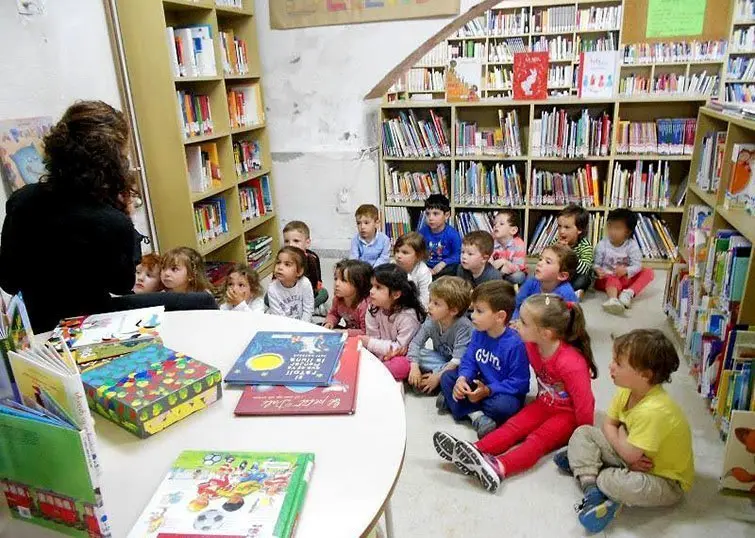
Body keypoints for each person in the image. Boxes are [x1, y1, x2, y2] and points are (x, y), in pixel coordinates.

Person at [0, 100, 142, 331]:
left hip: (38, 331)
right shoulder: (109, 220)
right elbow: (123, 284)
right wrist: (127, 216)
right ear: (113, 160)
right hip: (93, 328)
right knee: (200, 302)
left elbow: (8, 281)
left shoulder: (21, 200)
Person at [434, 294, 597, 493]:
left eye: (524, 323)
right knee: (513, 426)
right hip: (544, 403)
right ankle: (475, 449)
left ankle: (500, 466)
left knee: (537, 440)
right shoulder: (531, 345)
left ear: (546, 333)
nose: (517, 324)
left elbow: (584, 404)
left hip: (567, 415)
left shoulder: (571, 363)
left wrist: (583, 437)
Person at [558, 329, 693, 533]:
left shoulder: (655, 410)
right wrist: (622, 439)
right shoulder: (627, 390)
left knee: (609, 480)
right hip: (632, 456)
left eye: (618, 364)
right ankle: (592, 489)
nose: (611, 366)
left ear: (645, 375)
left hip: (663, 479)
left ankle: (589, 470)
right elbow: (608, 424)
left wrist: (621, 435)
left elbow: (627, 448)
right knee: (583, 432)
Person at [437, 281, 529, 439]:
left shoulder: (515, 345)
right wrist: (462, 379)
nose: (472, 316)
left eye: (479, 311)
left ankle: (459, 404)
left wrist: (488, 391)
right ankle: (477, 416)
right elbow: (469, 361)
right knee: (447, 377)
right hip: (480, 383)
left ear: (500, 316)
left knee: (505, 408)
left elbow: (520, 384)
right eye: (473, 310)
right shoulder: (478, 333)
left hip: (500, 392)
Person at [407, 276, 473, 395]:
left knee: (457, 372)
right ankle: (430, 380)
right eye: (430, 300)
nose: (430, 306)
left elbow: (457, 360)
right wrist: (414, 366)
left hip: (457, 366)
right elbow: (416, 343)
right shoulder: (432, 319)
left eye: (436, 303)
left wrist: (437, 376)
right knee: (417, 353)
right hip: (440, 361)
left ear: (453, 310)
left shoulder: (464, 326)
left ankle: (438, 383)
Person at [361, 264, 425, 381]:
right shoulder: (373, 308)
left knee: (400, 365)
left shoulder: (408, 316)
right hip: (383, 353)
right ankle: (377, 369)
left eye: (378, 287)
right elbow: (373, 337)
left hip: (404, 356)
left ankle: (376, 372)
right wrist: (380, 353)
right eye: (372, 286)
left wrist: (370, 343)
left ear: (396, 294)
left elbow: (401, 348)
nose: (371, 291)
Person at [594, 208, 654, 315]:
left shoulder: (632, 246)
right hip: (606, 279)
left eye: (617, 228)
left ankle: (628, 293)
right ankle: (613, 300)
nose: (612, 231)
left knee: (648, 272)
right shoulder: (602, 245)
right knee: (612, 278)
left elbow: (637, 265)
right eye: (610, 226)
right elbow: (596, 264)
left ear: (628, 232)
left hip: (623, 278)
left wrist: (626, 270)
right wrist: (597, 270)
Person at [512, 244, 579, 319]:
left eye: (548, 262)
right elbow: (518, 304)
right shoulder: (531, 282)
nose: (539, 263)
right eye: (540, 259)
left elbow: (568, 320)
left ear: (562, 276)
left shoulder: (565, 293)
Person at [282, 220, 329, 314]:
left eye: (296, 241)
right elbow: (275, 279)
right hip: (286, 293)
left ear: (307, 243)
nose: (291, 245)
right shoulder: (282, 257)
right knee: (267, 297)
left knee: (323, 293)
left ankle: (307, 308)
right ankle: (301, 309)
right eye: (287, 241)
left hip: (306, 294)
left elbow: (315, 282)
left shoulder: (312, 258)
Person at [323, 259, 372, 336]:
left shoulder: (364, 305)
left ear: (358, 284)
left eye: (343, 280)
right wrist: (329, 322)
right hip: (349, 333)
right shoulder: (338, 299)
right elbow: (334, 314)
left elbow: (366, 332)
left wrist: (344, 332)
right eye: (336, 279)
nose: (337, 284)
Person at [418, 194, 461, 278]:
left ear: (446, 215)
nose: (430, 218)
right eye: (427, 214)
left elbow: (458, 255)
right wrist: (425, 267)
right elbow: (417, 251)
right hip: (426, 267)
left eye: (435, 214)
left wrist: (443, 263)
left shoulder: (453, 234)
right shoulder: (422, 232)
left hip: (445, 268)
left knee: (456, 268)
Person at [556, 204, 594, 297]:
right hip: (561, 273)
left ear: (579, 229)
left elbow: (584, 269)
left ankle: (573, 291)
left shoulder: (585, 246)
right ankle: (561, 288)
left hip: (576, 275)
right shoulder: (556, 242)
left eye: (567, 227)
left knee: (583, 279)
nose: (561, 231)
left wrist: (570, 253)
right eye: (559, 226)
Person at [267, 246, 314, 322]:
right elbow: (279, 318)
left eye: (287, 264)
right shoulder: (272, 288)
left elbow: (308, 309)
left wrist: (302, 327)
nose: (280, 267)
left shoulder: (305, 283)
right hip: (284, 326)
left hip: (303, 324)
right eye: (278, 263)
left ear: (299, 272)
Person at [393, 232, 432, 308]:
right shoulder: (392, 267)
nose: (398, 256)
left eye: (405, 252)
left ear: (418, 255)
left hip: (416, 308)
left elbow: (425, 300)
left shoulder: (423, 272)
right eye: (397, 251)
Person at [490, 210, 527, 285]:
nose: (496, 226)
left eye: (501, 224)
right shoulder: (491, 241)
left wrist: (505, 262)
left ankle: (500, 282)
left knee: (519, 276)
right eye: (494, 224)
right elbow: (488, 261)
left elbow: (518, 267)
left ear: (513, 230)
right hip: (496, 271)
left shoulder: (519, 244)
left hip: (514, 272)